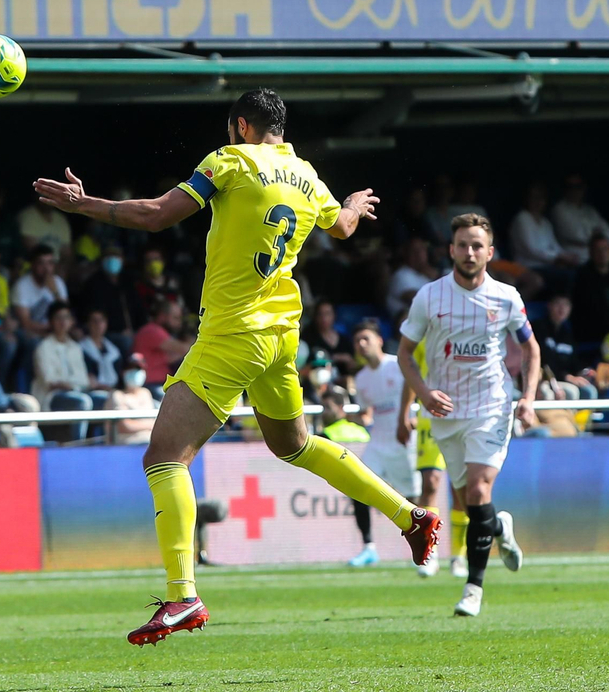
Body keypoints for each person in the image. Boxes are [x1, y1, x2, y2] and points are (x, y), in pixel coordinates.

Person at [33, 88, 435, 644]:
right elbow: (340, 228)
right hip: (280, 334)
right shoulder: (306, 174)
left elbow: (156, 216)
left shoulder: (228, 162)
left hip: (233, 333)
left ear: (241, 125)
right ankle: (410, 517)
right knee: (295, 445)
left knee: (163, 458)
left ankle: (182, 596)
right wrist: (352, 205)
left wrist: (85, 206)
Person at [397, 213, 536, 618]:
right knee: (470, 501)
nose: (470, 252)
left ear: (490, 252)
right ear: (451, 250)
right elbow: (405, 353)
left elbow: (530, 348)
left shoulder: (507, 297)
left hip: (492, 405)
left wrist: (526, 397)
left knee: (477, 491)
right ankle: (498, 528)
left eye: (477, 245)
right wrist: (423, 393)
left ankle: (472, 589)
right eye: (463, 245)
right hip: (446, 411)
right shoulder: (429, 296)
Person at [344, 320, 416, 568]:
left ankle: (424, 549)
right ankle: (368, 548)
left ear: (379, 341)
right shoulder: (361, 378)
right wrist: (348, 417)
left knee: (412, 498)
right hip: (378, 440)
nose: (361, 345)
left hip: (404, 440)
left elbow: (418, 389)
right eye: (357, 341)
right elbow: (366, 415)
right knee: (357, 486)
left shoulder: (398, 365)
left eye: (366, 339)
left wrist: (410, 418)